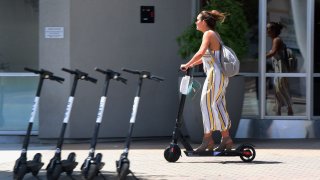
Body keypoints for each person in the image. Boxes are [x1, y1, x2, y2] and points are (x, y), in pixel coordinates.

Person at [180, 10, 233, 152]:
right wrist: (191, 65)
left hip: (214, 75)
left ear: (204, 22)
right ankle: (226, 139)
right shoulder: (214, 34)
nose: (196, 22)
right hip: (220, 75)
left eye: (198, 20)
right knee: (218, 104)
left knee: (206, 104)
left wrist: (186, 63)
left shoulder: (208, 34)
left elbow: (201, 52)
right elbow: (207, 57)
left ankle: (208, 140)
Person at [266, 22, 293, 116]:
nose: (267, 31)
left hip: (281, 68)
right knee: (278, 88)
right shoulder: (275, 40)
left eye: (269, 29)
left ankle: (289, 109)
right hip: (278, 68)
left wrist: (262, 56)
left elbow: (273, 52)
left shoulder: (276, 40)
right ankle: (279, 110)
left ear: (274, 30)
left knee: (281, 88)